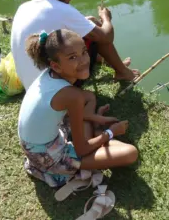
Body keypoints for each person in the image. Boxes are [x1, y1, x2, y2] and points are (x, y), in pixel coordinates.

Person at [18, 29, 138, 187]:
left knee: (88, 96)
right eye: (72, 57)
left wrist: (94, 117)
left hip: (34, 146)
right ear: (56, 65)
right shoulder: (71, 95)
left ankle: (94, 130)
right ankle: (97, 135)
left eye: (84, 52)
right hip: (49, 159)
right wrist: (111, 132)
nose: (84, 61)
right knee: (130, 153)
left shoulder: (50, 74)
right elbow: (81, 149)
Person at [11, 0, 139, 90]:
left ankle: (112, 65)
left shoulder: (24, 7)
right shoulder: (62, 9)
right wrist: (106, 18)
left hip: (30, 86)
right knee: (96, 35)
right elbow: (107, 37)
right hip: (55, 88)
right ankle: (123, 72)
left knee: (89, 23)